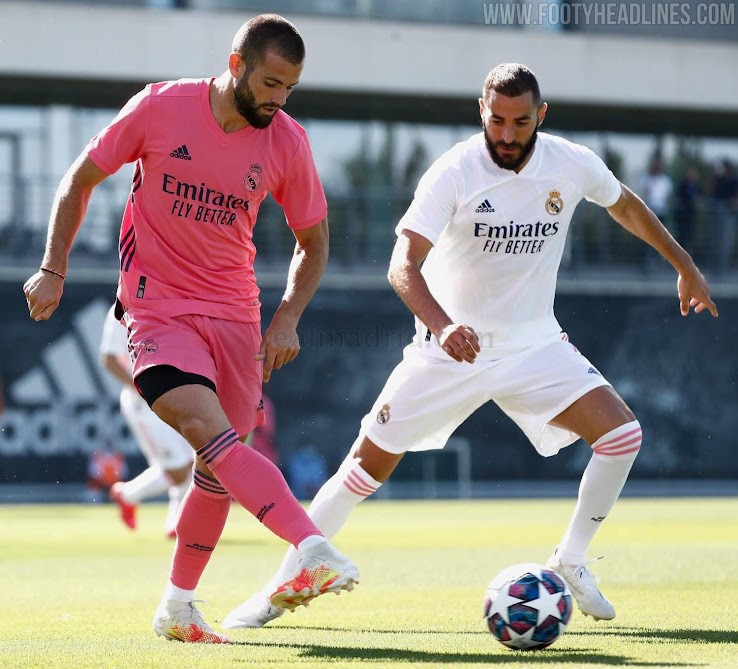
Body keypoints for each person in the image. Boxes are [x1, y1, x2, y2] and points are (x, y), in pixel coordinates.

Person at [223, 63, 718, 630]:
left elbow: (625, 204)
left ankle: (572, 560)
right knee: (363, 468)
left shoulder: (571, 162)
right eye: (497, 120)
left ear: (542, 117)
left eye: (521, 122)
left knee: (623, 435)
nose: (507, 135)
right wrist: (440, 326)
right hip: (446, 352)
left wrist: (685, 266)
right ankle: (281, 587)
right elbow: (401, 266)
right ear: (481, 112)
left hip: (535, 348)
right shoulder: (454, 170)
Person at [23, 14, 358, 644]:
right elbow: (80, 179)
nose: (279, 99)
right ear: (236, 65)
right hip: (156, 308)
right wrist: (52, 267)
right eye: (269, 82)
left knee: (217, 469)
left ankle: (177, 606)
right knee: (209, 432)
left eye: (290, 87)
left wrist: (287, 317)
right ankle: (312, 546)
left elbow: (313, 242)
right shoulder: (161, 106)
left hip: (237, 314)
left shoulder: (287, 141)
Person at [100, 304, 193, 537]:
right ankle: (127, 494)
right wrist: (142, 388)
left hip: (173, 395)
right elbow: (109, 360)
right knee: (178, 469)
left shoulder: (167, 300)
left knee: (192, 461)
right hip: (143, 404)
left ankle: (176, 524)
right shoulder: (121, 310)